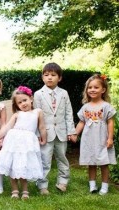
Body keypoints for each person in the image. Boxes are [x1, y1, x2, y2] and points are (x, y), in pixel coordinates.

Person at [0, 86, 47, 199]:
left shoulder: (38, 112)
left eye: (25, 100)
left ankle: (25, 191)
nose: (23, 103)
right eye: (19, 102)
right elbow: (7, 127)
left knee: (23, 166)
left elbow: (42, 127)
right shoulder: (17, 114)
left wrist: (44, 138)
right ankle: (14, 191)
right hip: (14, 142)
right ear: (16, 105)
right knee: (13, 166)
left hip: (27, 144)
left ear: (31, 99)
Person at [34, 62, 77, 195]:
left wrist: (71, 131)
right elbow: (36, 115)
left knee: (62, 157)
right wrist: (38, 134)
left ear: (60, 78)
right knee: (44, 159)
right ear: (42, 77)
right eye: (46, 75)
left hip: (61, 132)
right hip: (45, 133)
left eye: (53, 75)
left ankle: (63, 182)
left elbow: (68, 113)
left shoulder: (64, 93)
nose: (50, 78)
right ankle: (42, 185)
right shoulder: (38, 94)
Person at [75, 74, 116, 195]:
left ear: (103, 90)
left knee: (104, 162)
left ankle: (104, 186)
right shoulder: (85, 107)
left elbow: (110, 122)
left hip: (102, 138)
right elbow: (82, 122)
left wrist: (110, 138)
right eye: (90, 87)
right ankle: (92, 185)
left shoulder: (106, 106)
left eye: (96, 87)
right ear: (87, 90)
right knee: (91, 162)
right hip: (89, 139)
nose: (92, 90)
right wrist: (75, 133)